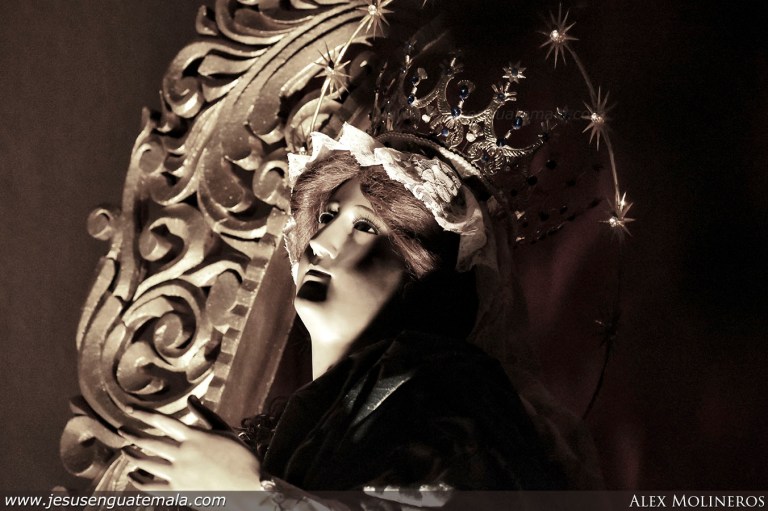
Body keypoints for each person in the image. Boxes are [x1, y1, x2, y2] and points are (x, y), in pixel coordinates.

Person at [119, 124, 596, 508]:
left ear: (421, 274)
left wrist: (252, 495)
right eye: (327, 217)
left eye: (364, 227)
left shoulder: (451, 394)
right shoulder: (283, 432)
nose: (320, 244)